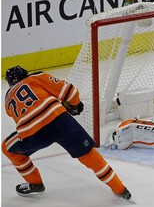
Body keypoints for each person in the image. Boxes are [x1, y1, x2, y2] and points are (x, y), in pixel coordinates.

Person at [2, 66, 132, 199]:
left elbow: (25, 117)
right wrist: (74, 105)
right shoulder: (35, 77)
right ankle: (121, 190)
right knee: (89, 156)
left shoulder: (7, 99)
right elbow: (71, 91)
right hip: (60, 121)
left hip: (33, 133)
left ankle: (34, 183)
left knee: (7, 148)